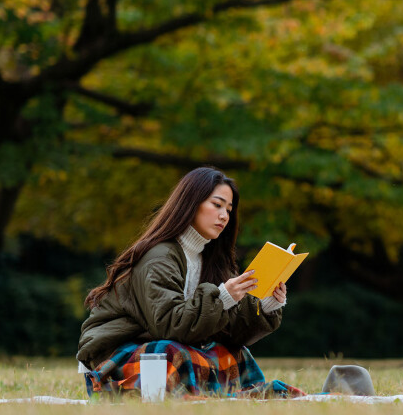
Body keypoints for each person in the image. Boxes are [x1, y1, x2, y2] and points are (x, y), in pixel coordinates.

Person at [77, 167, 303, 398]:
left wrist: (266, 305)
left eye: (229, 209)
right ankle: (210, 395)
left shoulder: (213, 260)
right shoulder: (159, 256)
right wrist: (222, 298)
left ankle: (227, 395)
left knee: (235, 353)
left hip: (172, 346)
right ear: (191, 203)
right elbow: (168, 325)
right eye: (217, 205)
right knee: (172, 352)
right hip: (118, 356)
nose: (224, 216)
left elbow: (229, 335)